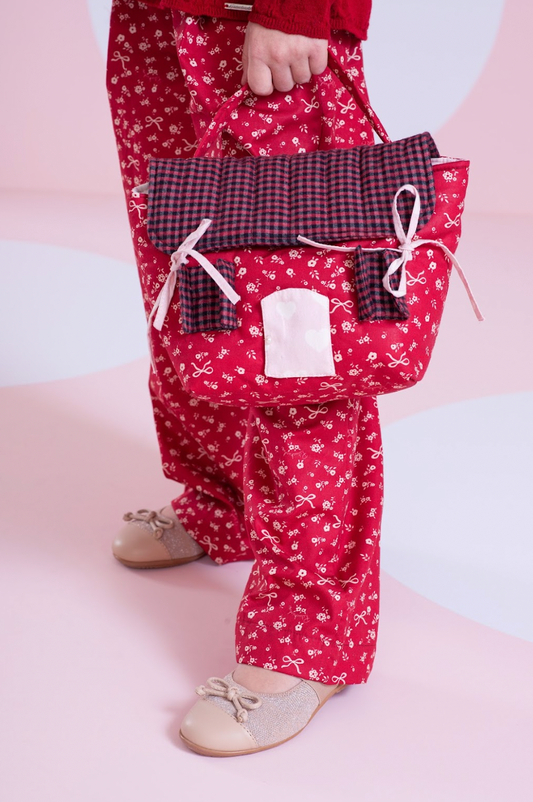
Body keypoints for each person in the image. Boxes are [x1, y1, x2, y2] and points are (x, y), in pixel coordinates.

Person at [107, 0, 382, 756]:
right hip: (153, 15)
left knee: (299, 332)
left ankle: (309, 639)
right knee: (191, 281)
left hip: (257, 16)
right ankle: (224, 503)